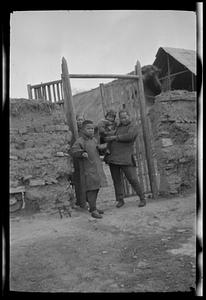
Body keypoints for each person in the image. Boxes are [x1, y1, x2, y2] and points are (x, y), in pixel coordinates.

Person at [104, 109, 146, 208]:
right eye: (121, 118)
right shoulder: (118, 127)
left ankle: (142, 197)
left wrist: (115, 137)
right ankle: (120, 199)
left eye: (125, 117)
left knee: (132, 178)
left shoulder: (133, 126)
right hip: (113, 157)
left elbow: (130, 136)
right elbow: (109, 136)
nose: (123, 119)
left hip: (125, 157)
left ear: (129, 116)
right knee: (116, 180)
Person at [70, 120, 108, 218]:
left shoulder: (94, 140)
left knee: (97, 188)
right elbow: (74, 151)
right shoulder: (80, 141)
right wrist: (81, 153)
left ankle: (93, 206)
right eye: (88, 129)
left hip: (96, 168)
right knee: (91, 189)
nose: (91, 131)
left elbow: (97, 150)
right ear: (83, 130)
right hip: (88, 169)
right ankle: (93, 210)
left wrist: (102, 150)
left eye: (92, 129)